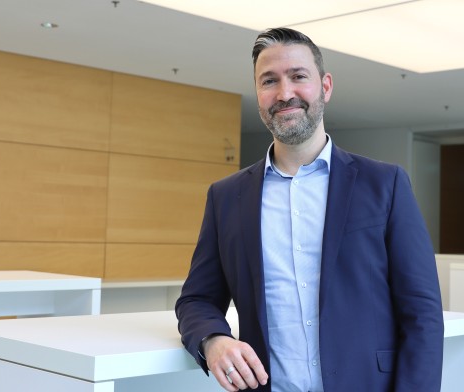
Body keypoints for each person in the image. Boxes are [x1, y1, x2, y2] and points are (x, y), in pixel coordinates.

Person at [176, 27, 444, 392]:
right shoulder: (226, 197)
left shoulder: (385, 184)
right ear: (258, 95)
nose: (284, 93)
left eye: (298, 76)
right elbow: (197, 299)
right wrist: (213, 341)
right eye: (269, 81)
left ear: (326, 86)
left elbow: (422, 314)